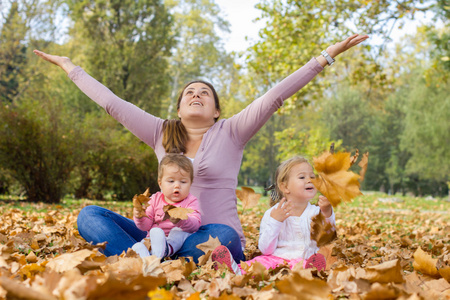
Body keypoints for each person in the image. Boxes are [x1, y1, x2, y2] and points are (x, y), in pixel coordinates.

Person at [33, 33, 368, 263]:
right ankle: (149, 258)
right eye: (189, 92)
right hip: (159, 233)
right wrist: (69, 67)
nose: (196, 95)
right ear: (179, 109)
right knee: (90, 215)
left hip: (210, 234)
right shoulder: (160, 132)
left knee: (223, 236)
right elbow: (112, 103)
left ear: (217, 110)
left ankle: (148, 260)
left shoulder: (233, 131)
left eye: (204, 93)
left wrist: (326, 57)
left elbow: (275, 96)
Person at [211, 156, 334, 274]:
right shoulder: (272, 214)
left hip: (305, 261)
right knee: (257, 264)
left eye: (312, 176)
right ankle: (233, 269)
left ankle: (312, 271)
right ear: (285, 187)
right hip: (275, 259)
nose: (309, 180)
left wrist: (327, 212)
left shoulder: (317, 212)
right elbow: (265, 249)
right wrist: (276, 221)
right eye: (302, 177)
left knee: (310, 265)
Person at [131, 154, 201, 259]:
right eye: (171, 181)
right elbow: (145, 226)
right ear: (160, 183)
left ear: (190, 183)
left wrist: (181, 220)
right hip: (154, 239)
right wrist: (140, 217)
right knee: (140, 245)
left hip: (177, 242)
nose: (177, 185)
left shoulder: (191, 201)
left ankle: (166, 250)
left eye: (183, 181)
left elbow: (196, 224)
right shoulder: (155, 199)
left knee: (178, 232)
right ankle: (148, 260)